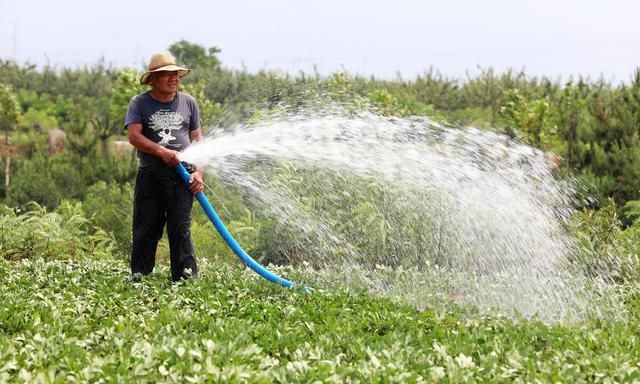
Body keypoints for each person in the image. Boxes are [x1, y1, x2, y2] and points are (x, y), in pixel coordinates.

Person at [125, 51, 204, 282]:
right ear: (153, 79)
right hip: (151, 176)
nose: (173, 78)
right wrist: (162, 152)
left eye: (175, 74)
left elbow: (198, 140)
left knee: (180, 229)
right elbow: (134, 137)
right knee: (146, 229)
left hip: (182, 178)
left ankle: (186, 280)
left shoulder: (188, 102)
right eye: (166, 75)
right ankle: (140, 278)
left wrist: (198, 172)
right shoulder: (139, 103)